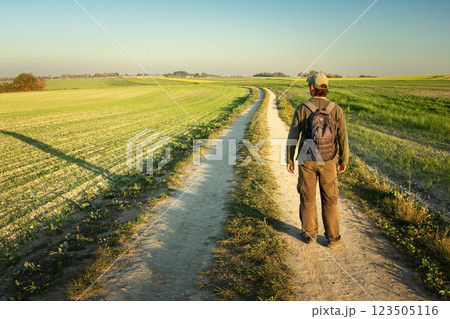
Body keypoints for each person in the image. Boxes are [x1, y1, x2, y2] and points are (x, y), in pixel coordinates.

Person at [286, 72, 349, 249]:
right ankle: (333, 239)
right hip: (329, 160)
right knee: (330, 200)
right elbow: (343, 136)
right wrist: (343, 159)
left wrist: (289, 157)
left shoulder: (302, 108)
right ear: (326, 88)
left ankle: (309, 235)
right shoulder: (336, 109)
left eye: (309, 86)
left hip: (307, 159)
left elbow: (293, 135)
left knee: (307, 198)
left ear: (313, 88)